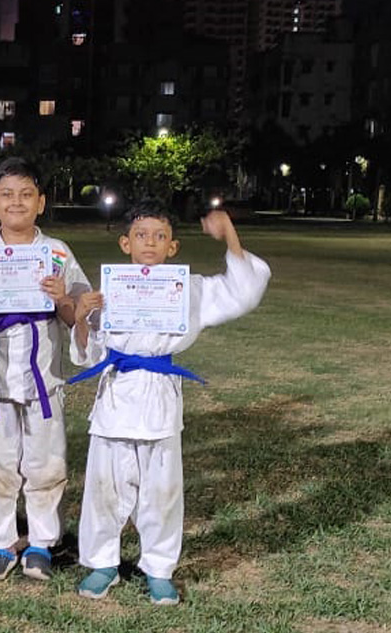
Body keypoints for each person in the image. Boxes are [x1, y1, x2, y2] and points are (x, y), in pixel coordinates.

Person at [68, 203, 270, 605]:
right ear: (126, 242)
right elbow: (88, 348)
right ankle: (101, 563)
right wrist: (80, 317)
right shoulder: (110, 289)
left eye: (160, 236)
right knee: (104, 487)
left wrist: (229, 232)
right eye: (141, 235)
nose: (150, 243)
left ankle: (159, 567)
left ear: (173, 246)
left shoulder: (190, 289)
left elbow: (243, 292)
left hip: (159, 400)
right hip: (116, 398)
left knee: (162, 491)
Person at [0, 157, 91, 582]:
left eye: (26, 194)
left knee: (46, 460)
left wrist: (64, 298)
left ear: (41, 202)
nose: (17, 202)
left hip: (42, 373)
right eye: (7, 195)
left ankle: (43, 542)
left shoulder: (58, 253)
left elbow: (74, 318)